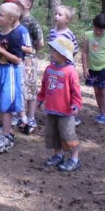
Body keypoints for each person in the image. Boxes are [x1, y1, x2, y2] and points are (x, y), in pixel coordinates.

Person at [0, 3, 31, 153]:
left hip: (11, 72)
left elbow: (18, 59)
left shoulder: (15, 36)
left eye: (1, 15)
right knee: (1, 102)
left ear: (11, 19)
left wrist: (1, 50)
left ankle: (6, 136)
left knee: (7, 103)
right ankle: (6, 132)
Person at [37, 37, 82, 172]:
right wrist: (40, 99)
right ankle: (58, 155)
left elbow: (76, 91)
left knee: (68, 135)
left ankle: (74, 159)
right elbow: (44, 86)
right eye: (52, 50)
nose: (51, 53)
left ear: (64, 54)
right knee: (53, 134)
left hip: (66, 111)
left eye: (55, 51)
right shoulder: (49, 69)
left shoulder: (70, 71)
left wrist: (76, 104)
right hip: (51, 109)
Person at [82, 13, 105, 124]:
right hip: (92, 69)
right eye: (96, 29)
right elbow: (84, 52)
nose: (98, 32)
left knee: (104, 91)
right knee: (97, 92)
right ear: (93, 25)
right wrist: (85, 69)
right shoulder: (88, 35)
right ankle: (101, 113)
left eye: (101, 30)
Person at [15, 0, 44, 134]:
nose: (16, 5)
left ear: (27, 5)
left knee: (30, 88)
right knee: (18, 88)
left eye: (19, 3)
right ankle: (20, 115)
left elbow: (40, 43)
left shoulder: (32, 22)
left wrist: (30, 51)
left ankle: (31, 117)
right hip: (15, 59)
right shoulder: (14, 20)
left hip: (29, 59)